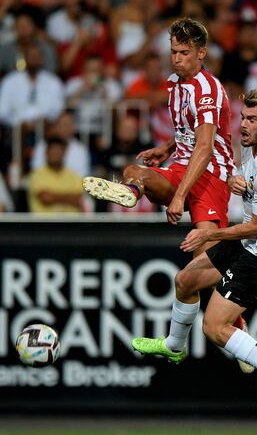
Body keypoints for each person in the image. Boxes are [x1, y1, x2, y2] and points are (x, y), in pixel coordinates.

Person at [132, 91, 257, 419]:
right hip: (248, 241)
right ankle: (173, 346)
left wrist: (210, 232)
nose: (243, 125)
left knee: (213, 327)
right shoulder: (255, 149)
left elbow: (256, 228)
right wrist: (239, 182)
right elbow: (200, 135)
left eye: (252, 119)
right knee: (185, 280)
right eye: (243, 117)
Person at [83, 17, 237, 256]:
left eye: (184, 52)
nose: (177, 58)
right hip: (182, 169)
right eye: (173, 52)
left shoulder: (207, 90)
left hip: (210, 176)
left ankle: (226, 282)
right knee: (133, 172)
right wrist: (167, 147)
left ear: (201, 53)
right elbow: (189, 129)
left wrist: (179, 196)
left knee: (204, 265)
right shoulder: (175, 83)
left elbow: (205, 148)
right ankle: (131, 193)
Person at [28, 137, 83, 213]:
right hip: (45, 223)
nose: (56, 154)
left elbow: (79, 200)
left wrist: (53, 196)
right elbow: (45, 198)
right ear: (46, 153)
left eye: (58, 151)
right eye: (53, 151)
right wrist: (69, 197)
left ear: (64, 153)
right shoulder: (37, 175)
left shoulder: (74, 175)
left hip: (71, 223)